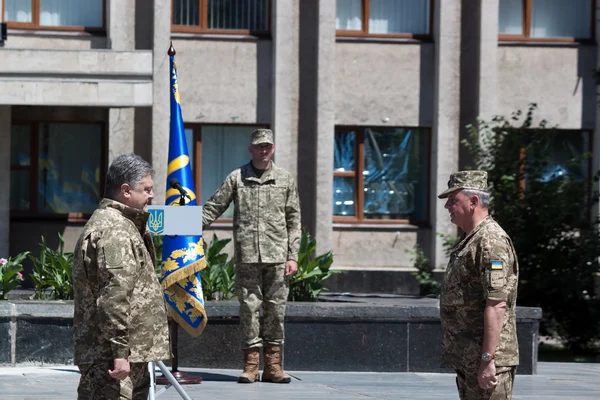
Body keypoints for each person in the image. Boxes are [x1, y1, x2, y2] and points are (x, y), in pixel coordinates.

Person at [202, 128, 301, 384]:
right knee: (248, 309)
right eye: (259, 146)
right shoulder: (237, 178)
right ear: (251, 149)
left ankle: (273, 366)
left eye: (267, 146)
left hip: (277, 257)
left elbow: (294, 219)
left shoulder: (285, 179)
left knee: (276, 311)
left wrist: (293, 256)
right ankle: (250, 365)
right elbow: (214, 206)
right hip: (247, 256)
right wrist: (187, 228)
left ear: (273, 148)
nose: (263, 150)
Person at [73, 153, 171, 399]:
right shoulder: (115, 230)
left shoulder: (125, 225)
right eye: (146, 189)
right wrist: (119, 353)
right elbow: (114, 295)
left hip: (129, 354)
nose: (152, 195)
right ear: (126, 190)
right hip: (113, 359)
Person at [438, 170, 519, 400]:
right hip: (470, 359)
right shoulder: (471, 238)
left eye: (453, 200)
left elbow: (496, 304)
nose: (447, 207)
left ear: (473, 202)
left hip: (489, 363)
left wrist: (487, 360)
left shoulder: (491, 241)